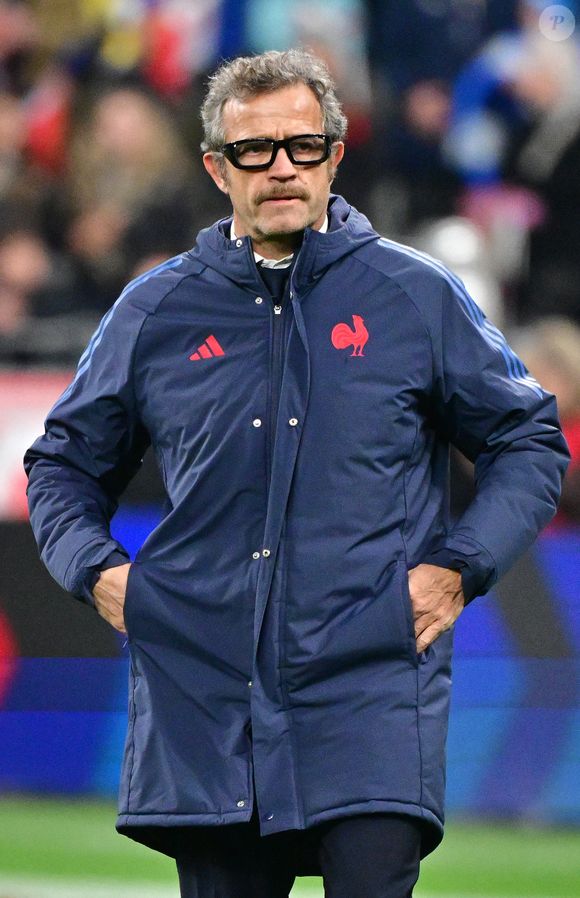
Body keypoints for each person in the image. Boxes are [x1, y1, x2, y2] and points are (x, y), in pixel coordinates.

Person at [24, 49, 569, 898]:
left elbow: (530, 438)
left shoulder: (415, 295)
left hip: (371, 685)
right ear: (216, 167)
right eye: (255, 150)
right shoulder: (154, 311)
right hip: (209, 696)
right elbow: (60, 465)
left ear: (335, 156)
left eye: (304, 146)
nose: (282, 166)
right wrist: (100, 576)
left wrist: (459, 571)